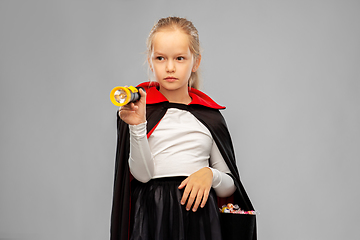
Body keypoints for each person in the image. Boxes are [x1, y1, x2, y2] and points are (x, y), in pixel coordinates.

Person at [110, 16, 256, 240]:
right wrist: (138, 126)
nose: (170, 67)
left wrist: (211, 175)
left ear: (195, 62)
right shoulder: (137, 109)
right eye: (160, 58)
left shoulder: (209, 116)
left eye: (179, 58)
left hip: (200, 219)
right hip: (152, 215)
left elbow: (229, 187)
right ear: (150, 61)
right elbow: (142, 175)